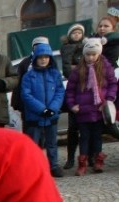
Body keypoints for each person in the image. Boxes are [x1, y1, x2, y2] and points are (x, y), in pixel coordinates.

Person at [65, 37, 118, 175]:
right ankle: (82, 163)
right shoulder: (78, 70)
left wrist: (109, 99)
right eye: (88, 54)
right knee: (84, 137)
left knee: (97, 137)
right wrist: (72, 105)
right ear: (84, 54)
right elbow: (70, 90)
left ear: (99, 53)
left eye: (94, 54)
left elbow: (113, 84)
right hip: (83, 110)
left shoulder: (105, 67)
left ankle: (98, 161)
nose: (91, 57)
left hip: (99, 108)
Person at [20, 42, 65, 178]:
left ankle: (54, 165)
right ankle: (34, 167)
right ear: (35, 59)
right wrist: (41, 109)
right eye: (41, 57)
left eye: (46, 57)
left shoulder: (55, 74)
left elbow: (59, 91)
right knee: (34, 144)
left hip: (51, 115)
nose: (43, 59)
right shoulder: (28, 76)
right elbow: (26, 95)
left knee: (52, 143)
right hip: (35, 116)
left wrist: (52, 108)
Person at [61, 23, 86, 170]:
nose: (77, 35)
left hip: (87, 92)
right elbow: (67, 70)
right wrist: (77, 69)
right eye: (74, 33)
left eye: (79, 33)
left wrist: (76, 67)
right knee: (72, 129)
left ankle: (86, 158)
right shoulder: (66, 49)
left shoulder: (87, 46)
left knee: (88, 128)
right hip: (74, 92)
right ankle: (70, 159)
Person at [10, 36, 50, 115]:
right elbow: (18, 83)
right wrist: (16, 103)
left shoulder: (51, 62)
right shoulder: (25, 63)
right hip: (28, 106)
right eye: (37, 46)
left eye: (42, 46)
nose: (39, 49)